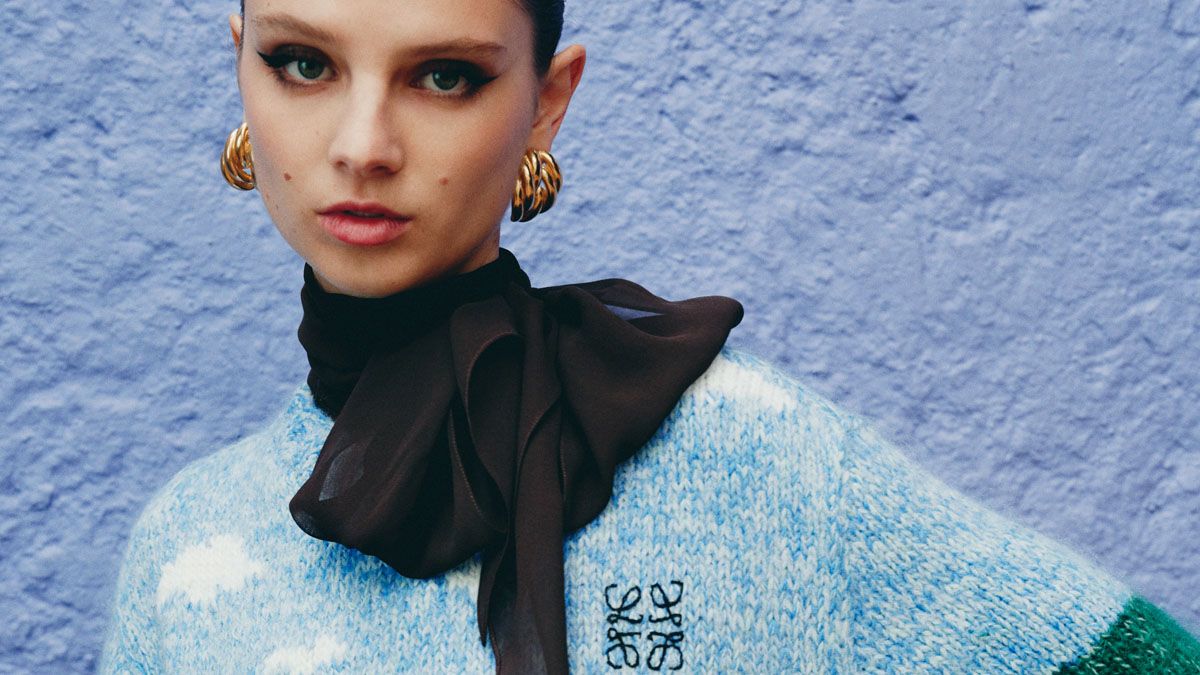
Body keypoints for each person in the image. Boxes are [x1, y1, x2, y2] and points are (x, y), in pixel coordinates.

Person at [100, 0, 1200, 672]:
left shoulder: (759, 459)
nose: (363, 144)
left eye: (445, 76)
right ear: (242, 68)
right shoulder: (188, 546)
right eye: (304, 63)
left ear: (547, 102)